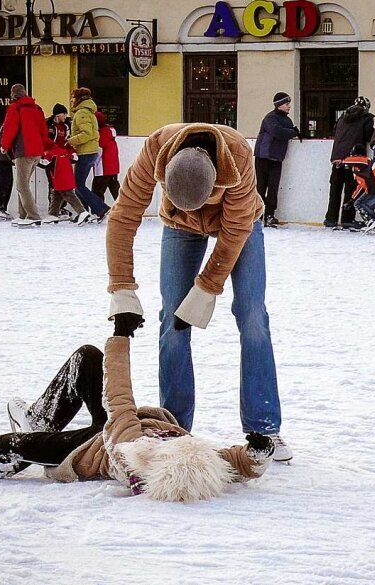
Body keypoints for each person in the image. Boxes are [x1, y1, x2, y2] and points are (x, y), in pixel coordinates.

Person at [0, 334, 276, 502]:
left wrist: (120, 335)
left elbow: (119, 396)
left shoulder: (130, 447)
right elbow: (235, 462)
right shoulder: (191, 456)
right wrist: (257, 452)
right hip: (110, 428)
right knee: (88, 358)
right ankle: (41, 415)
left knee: (14, 447)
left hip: (87, 449)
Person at [105, 122, 292, 462]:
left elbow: (235, 230)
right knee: (173, 319)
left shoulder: (236, 155)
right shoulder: (155, 150)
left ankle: (264, 428)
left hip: (242, 224)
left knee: (252, 316)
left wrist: (207, 287)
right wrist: (121, 286)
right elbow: (123, 217)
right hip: (179, 227)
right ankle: (174, 425)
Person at [0, 83, 53, 227]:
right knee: (23, 184)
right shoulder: (37, 108)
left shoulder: (15, 108)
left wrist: (4, 146)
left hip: (23, 151)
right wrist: (45, 148)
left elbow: (10, 128)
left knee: (22, 185)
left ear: (13, 95)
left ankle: (33, 216)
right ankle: (22, 215)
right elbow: (43, 131)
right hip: (36, 152)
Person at [324, 96, 374, 230]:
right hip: (353, 158)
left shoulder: (342, 117)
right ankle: (347, 219)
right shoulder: (366, 118)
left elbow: (335, 131)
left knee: (335, 189)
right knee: (350, 190)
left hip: (337, 158)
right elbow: (369, 135)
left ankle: (330, 219)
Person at [254, 92, 300, 227]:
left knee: (273, 188)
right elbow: (278, 132)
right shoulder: (270, 118)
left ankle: (269, 214)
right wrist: (293, 132)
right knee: (261, 187)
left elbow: (288, 132)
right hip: (263, 157)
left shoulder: (287, 120)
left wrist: (294, 132)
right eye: (287, 104)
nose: (289, 106)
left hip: (276, 158)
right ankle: (257, 214)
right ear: (279, 105)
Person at [67, 87, 111, 221]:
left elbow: (86, 134)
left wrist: (70, 141)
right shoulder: (88, 112)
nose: (71, 100)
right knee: (79, 184)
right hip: (89, 151)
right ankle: (84, 213)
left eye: (73, 97)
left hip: (85, 152)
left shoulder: (82, 113)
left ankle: (101, 208)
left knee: (78, 185)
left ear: (79, 99)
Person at [341, 145, 375, 234]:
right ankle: (371, 223)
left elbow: (350, 160)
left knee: (362, 204)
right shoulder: (358, 169)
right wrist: (351, 200)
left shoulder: (365, 161)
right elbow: (361, 185)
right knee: (357, 203)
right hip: (374, 188)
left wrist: (341, 161)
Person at [42, 143, 90, 225]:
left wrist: (34, 159)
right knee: (57, 194)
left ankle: (82, 212)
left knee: (68, 195)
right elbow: (74, 158)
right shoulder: (64, 151)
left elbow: (44, 163)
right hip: (68, 176)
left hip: (59, 177)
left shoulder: (50, 153)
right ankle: (53, 214)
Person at [45, 103, 73, 219]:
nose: (66, 116)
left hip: (63, 158)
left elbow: (67, 142)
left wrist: (71, 153)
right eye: (64, 113)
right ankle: (53, 208)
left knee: (63, 182)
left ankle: (61, 207)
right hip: (51, 158)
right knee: (53, 183)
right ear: (57, 114)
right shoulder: (48, 125)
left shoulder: (66, 126)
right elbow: (46, 142)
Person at [91, 111, 121, 203]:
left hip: (102, 168)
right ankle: (127, 211)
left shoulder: (100, 135)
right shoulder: (111, 133)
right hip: (113, 168)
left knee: (97, 192)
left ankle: (99, 211)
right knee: (116, 192)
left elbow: (98, 151)